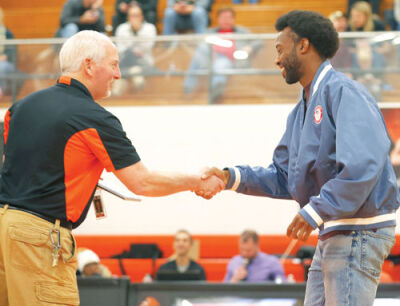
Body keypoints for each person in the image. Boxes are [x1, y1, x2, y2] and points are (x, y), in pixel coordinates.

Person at [0, 30, 223, 305]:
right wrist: (195, 180)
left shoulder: (19, 108)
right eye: (114, 64)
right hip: (39, 237)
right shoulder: (93, 117)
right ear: (89, 66)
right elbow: (143, 182)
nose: (118, 74)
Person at [201, 10, 399, 305]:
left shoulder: (344, 91)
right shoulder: (300, 111)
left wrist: (315, 209)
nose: (276, 59)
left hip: (359, 230)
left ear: (303, 46)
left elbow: (362, 166)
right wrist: (232, 177)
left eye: (280, 49)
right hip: (333, 230)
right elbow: (286, 177)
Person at [183, 7, 263, 103]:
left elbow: (259, 40)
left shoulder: (241, 31)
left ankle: (215, 93)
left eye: (229, 18)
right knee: (201, 49)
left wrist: (249, 48)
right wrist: (211, 52)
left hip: (232, 60)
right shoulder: (210, 32)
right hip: (211, 60)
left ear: (233, 19)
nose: (226, 20)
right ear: (218, 19)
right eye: (223, 18)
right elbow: (198, 43)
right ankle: (188, 87)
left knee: (222, 63)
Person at [113, 3, 157, 95]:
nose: (135, 18)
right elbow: (120, 49)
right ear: (128, 17)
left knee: (135, 72)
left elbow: (147, 46)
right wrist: (133, 52)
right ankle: (118, 96)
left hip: (144, 62)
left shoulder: (150, 28)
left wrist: (137, 29)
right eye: (132, 16)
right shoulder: (121, 28)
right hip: (125, 62)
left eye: (137, 15)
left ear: (142, 16)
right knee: (131, 72)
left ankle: (139, 94)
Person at [0, 7, 16, 98]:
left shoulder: (7, 33)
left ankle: (1, 92)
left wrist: (4, 56)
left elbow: (12, 53)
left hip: (5, 64)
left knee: (2, 66)